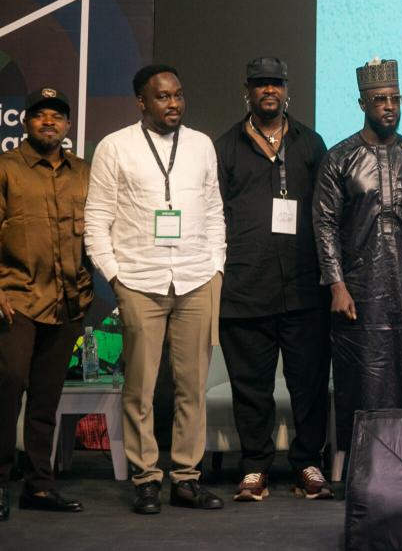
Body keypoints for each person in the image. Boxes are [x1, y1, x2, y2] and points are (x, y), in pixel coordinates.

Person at [84, 65, 227, 514]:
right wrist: (116, 276)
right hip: (139, 281)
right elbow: (96, 219)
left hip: (196, 278)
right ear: (142, 102)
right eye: (163, 97)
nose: (174, 104)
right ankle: (146, 477)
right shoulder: (115, 147)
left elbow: (214, 211)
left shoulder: (201, 145)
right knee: (140, 388)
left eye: (178, 95)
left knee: (192, 387)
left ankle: (186, 477)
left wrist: (216, 266)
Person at [214, 57, 332, 501]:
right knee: (251, 389)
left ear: (287, 90)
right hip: (245, 288)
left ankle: (308, 463)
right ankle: (255, 467)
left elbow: (327, 213)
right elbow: (213, 216)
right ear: (247, 91)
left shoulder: (311, 144)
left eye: (276, 83)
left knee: (309, 386)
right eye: (261, 84)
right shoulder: (225, 147)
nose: (269, 90)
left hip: (304, 288)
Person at [313, 57, 402, 470]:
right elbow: (325, 224)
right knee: (362, 380)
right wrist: (336, 284)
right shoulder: (340, 158)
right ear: (363, 103)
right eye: (381, 99)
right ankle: (361, 470)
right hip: (358, 290)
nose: (390, 107)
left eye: (395, 99)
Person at [0, 89, 92, 520]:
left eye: (57, 115)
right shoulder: (7, 168)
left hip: (66, 302)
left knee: (45, 399)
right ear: (25, 123)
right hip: (16, 299)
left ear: (68, 126)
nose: (49, 121)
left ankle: (39, 486)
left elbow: (98, 231)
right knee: (8, 388)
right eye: (40, 115)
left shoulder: (83, 172)